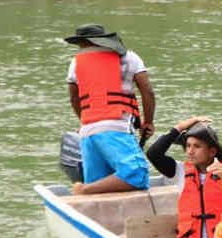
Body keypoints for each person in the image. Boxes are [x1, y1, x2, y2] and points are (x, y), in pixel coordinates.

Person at [64, 24, 155, 195]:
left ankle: (88, 193)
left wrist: (84, 121)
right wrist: (148, 121)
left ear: (85, 42)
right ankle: (83, 189)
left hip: (88, 132)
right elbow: (147, 91)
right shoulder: (130, 57)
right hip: (116, 127)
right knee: (137, 175)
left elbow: (74, 98)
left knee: (100, 187)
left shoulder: (76, 62)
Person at [145, 116, 222, 238]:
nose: (190, 151)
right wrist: (180, 127)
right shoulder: (179, 171)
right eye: (187, 146)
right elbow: (153, 153)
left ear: (212, 151)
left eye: (197, 146)